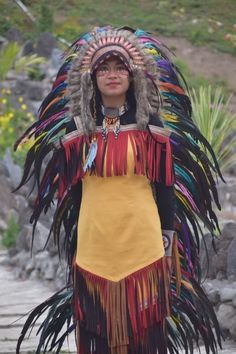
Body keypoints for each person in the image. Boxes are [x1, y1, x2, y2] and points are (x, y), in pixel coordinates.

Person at [15, 26, 223, 354]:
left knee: (143, 339)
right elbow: (74, 195)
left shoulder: (149, 124)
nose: (112, 75)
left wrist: (167, 244)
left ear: (132, 75)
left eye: (120, 67)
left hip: (142, 249)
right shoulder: (78, 129)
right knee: (98, 339)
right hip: (95, 250)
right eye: (104, 68)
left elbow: (164, 187)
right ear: (91, 78)